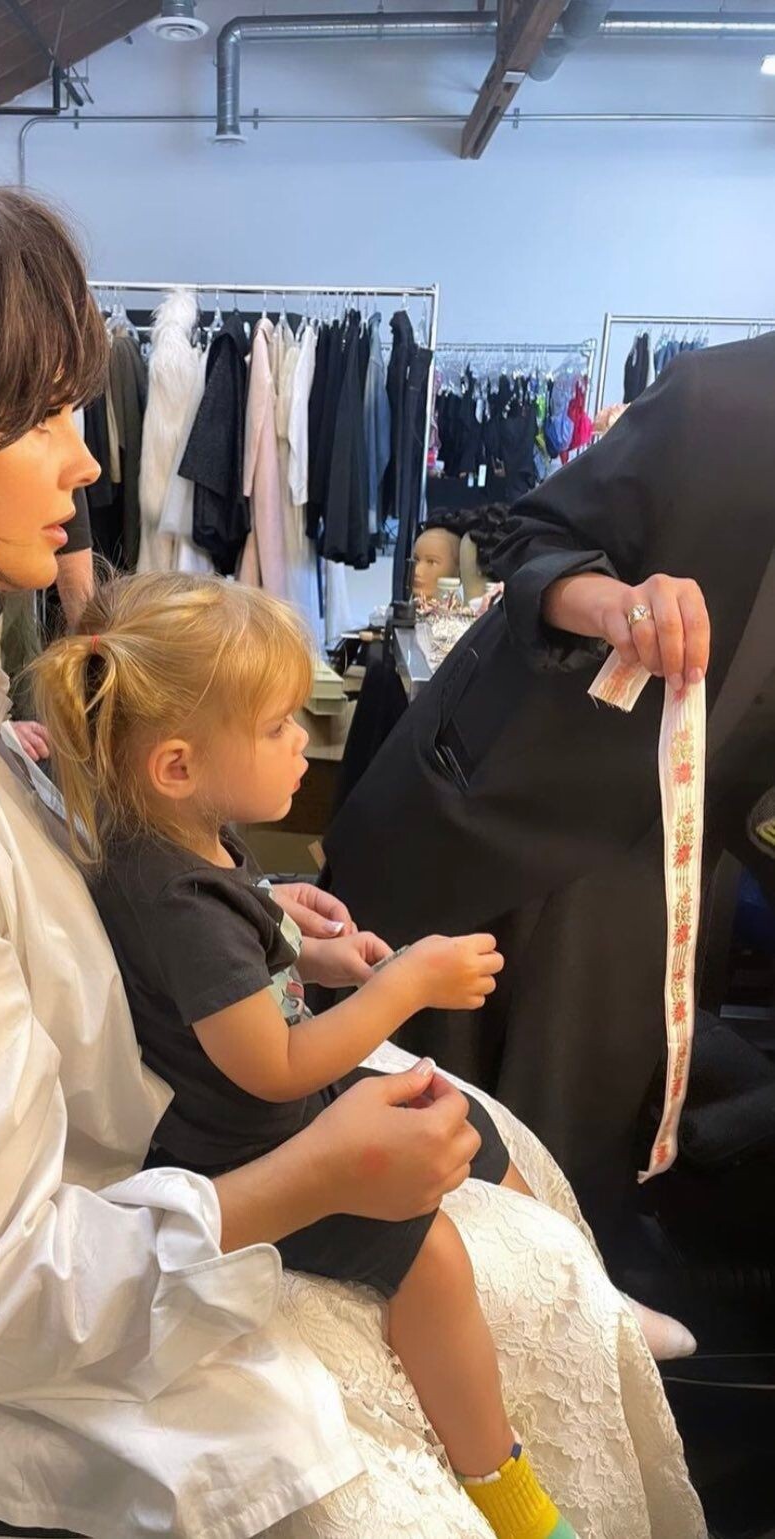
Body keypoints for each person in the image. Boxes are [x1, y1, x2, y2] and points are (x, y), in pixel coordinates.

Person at [0, 130, 703, 1539]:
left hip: (90, 1189)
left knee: (504, 1222)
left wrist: (236, 915)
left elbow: (23, 936)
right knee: (471, 1328)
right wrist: (309, 1178)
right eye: (41, 419)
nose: (88, 456)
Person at [33, 571, 578, 1539]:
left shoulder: (179, 842)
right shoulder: (181, 899)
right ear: (177, 765)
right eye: (280, 725)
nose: (301, 743)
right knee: (430, 1257)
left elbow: (232, 969)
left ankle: (577, 1295)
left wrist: (304, 947)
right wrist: (402, 985)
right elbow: (274, 1065)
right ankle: (509, 1492)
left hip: (274, 1110)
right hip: (243, 1146)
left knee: (464, 1116)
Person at [323, 338, 775, 1259]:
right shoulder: (724, 401)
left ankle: (559, 1302)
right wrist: (614, 603)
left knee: (584, 1129)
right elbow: (528, 537)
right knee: (444, 1116)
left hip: (673, 851)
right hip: (507, 806)